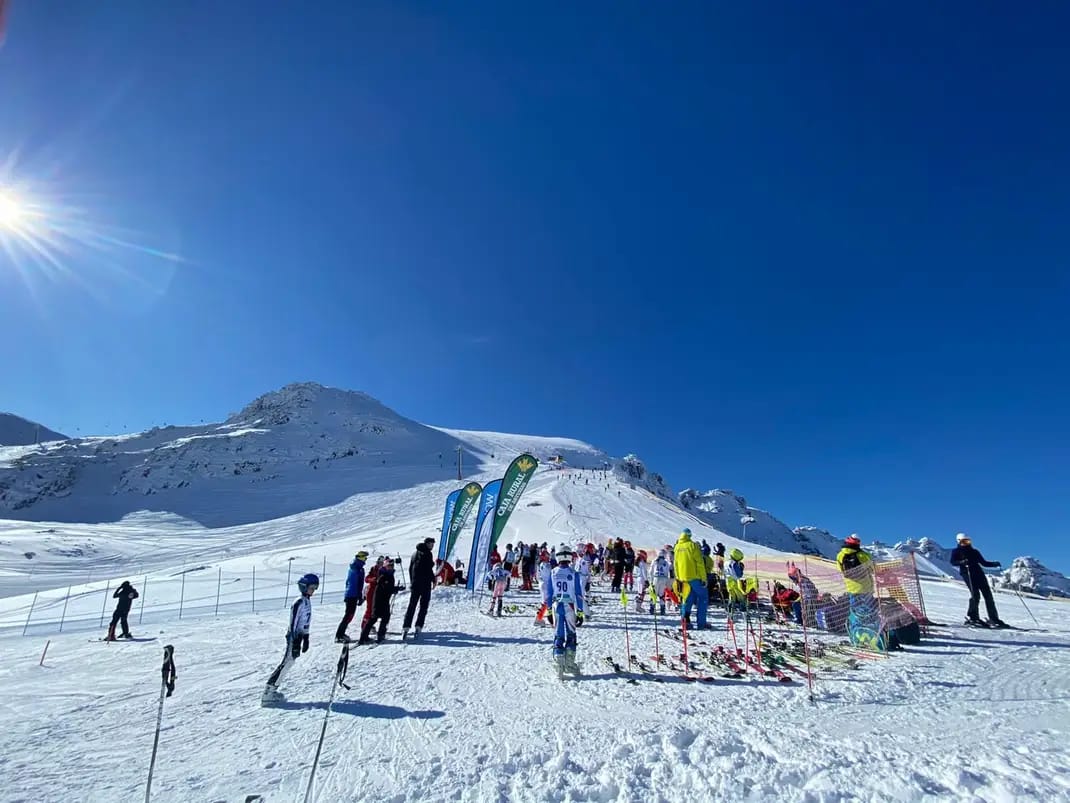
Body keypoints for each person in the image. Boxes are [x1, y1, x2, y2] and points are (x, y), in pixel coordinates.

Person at [263, 573, 318, 704]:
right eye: (312, 587)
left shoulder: (307, 601)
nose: (313, 590)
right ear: (304, 587)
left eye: (315, 588)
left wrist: (306, 637)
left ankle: (272, 690)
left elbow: (305, 621)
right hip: (294, 637)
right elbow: (293, 623)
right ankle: (269, 692)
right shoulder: (299, 602)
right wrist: (295, 640)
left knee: (290, 662)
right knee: (287, 662)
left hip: (300, 636)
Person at [950, 533, 1007, 627]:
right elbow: (953, 562)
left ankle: (994, 618)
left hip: (979, 573)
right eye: (964, 541)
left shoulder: (974, 551)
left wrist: (994, 564)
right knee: (975, 595)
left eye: (968, 541)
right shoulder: (956, 551)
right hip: (967, 573)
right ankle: (973, 617)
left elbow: (983, 563)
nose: (966, 543)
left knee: (988, 595)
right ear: (959, 541)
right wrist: (962, 562)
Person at [545, 544, 585, 675]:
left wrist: (549, 611)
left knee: (558, 635)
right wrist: (580, 611)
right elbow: (579, 594)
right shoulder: (574, 573)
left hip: (557, 606)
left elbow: (548, 593)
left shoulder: (553, 572)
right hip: (570, 606)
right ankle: (570, 663)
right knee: (571, 635)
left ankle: (559, 664)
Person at [359, 558, 404, 644]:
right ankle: (365, 637)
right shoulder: (383, 575)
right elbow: (386, 588)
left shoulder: (389, 574)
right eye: (389, 566)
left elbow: (388, 588)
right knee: (374, 618)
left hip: (384, 600)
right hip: (379, 600)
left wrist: (396, 589)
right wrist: (396, 589)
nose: (391, 567)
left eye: (392, 566)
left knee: (383, 618)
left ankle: (378, 635)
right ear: (385, 566)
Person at [674, 528, 709, 630]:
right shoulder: (693, 546)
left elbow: (675, 564)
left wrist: (678, 578)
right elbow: (699, 563)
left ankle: (685, 622)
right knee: (703, 598)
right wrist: (704, 578)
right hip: (695, 577)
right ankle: (701, 623)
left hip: (682, 579)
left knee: (687, 599)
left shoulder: (677, 547)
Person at [403, 538, 436, 638]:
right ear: (427, 544)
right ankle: (418, 625)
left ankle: (406, 626)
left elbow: (410, 569)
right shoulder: (428, 554)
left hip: (415, 584)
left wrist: (412, 581)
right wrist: (433, 579)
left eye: (433, 544)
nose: (432, 546)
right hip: (425, 584)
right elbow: (428, 570)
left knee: (412, 606)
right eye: (431, 544)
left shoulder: (415, 553)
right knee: (423, 606)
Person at [336, 551, 368, 642]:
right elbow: (355, 584)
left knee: (349, 615)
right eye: (364, 558)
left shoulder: (357, 568)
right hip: (352, 595)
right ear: (360, 558)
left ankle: (340, 634)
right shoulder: (356, 568)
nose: (365, 560)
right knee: (349, 615)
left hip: (351, 594)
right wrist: (359, 595)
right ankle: (339, 635)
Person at [649, 550, 671, 615]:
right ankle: (662, 609)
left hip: (656, 578)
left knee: (654, 594)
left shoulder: (654, 561)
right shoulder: (666, 562)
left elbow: (650, 572)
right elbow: (668, 572)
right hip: (663, 579)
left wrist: (651, 581)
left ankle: (652, 608)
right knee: (661, 595)